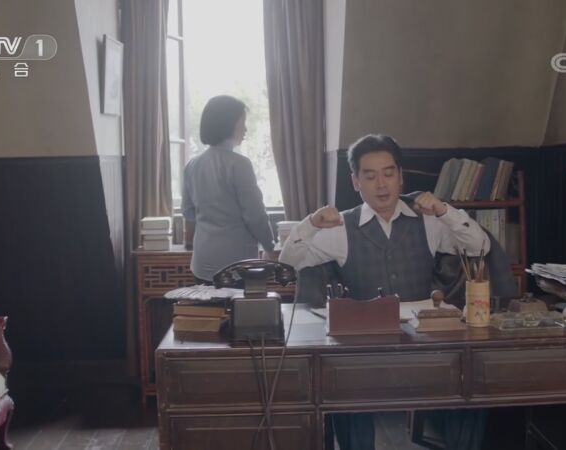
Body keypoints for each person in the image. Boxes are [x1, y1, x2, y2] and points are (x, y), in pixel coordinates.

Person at [279, 133, 490, 450]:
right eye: (370, 176)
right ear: (356, 182)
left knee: (471, 380)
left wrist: (444, 210)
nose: (381, 185)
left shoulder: (428, 221)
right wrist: (311, 223)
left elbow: (479, 247)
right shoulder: (341, 228)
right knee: (341, 384)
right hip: (365, 349)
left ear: (400, 177)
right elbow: (287, 264)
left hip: (425, 343)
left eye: (389, 174)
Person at [181, 95, 275, 284]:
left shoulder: (192, 165)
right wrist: (269, 245)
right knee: (239, 305)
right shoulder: (240, 165)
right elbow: (255, 215)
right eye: (242, 123)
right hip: (237, 263)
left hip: (202, 261)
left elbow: (188, 212)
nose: (245, 129)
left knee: (206, 304)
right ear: (228, 124)